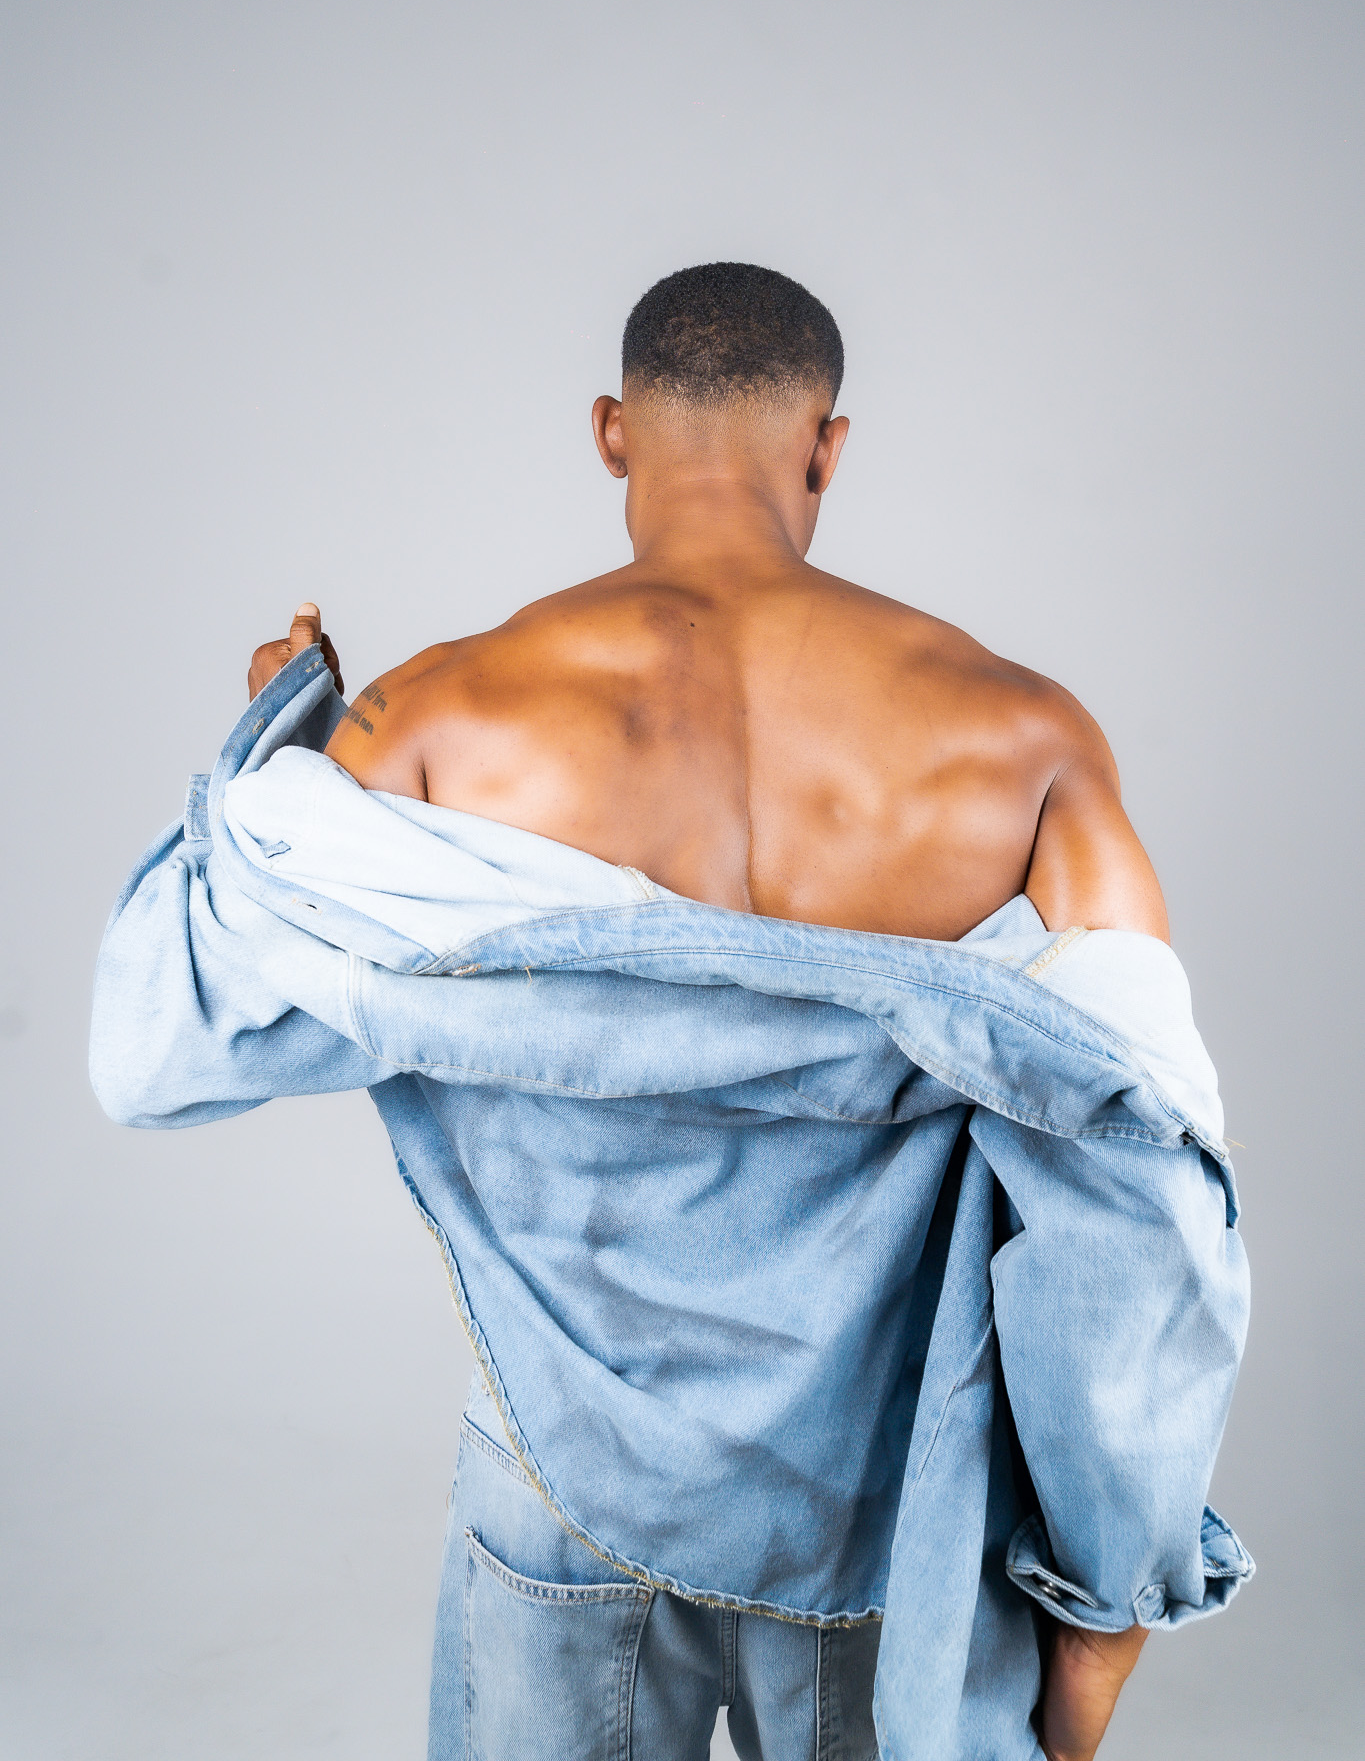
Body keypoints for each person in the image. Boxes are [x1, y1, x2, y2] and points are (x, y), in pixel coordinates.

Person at [94, 265, 1250, 1761]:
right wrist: (1107, 1592)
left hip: (558, 1463)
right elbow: (1139, 1189)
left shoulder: (439, 715)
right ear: (827, 447)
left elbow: (166, 1038)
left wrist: (277, 761)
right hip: (879, 1505)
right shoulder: (1027, 739)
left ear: (609, 432)